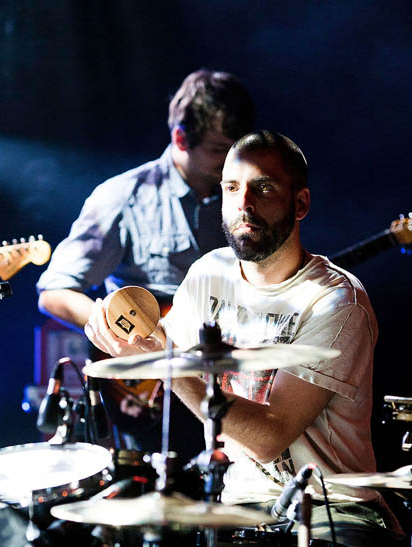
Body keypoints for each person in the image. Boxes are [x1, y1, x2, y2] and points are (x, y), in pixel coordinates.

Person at [84, 131, 404, 546]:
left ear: (300, 203)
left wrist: (162, 361)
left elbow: (270, 437)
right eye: (231, 188)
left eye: (264, 188)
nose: (244, 204)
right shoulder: (209, 274)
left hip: (333, 511)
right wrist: (115, 321)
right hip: (240, 506)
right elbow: (160, 342)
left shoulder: (336, 302)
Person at [36, 69, 254, 459]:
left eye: (238, 150)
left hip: (232, 385)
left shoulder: (243, 202)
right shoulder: (123, 197)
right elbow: (55, 292)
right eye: (220, 150)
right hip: (152, 393)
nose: (231, 163)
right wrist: (126, 337)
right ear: (180, 138)